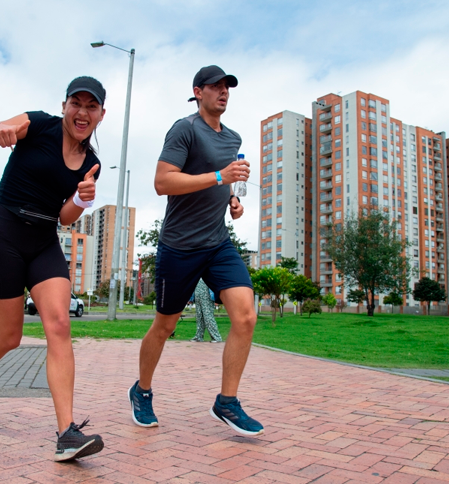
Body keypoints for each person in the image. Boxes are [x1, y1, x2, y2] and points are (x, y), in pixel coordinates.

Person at [0, 76, 107, 462]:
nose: (82, 112)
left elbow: (64, 217)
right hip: (2, 234)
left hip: (43, 239)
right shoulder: (37, 123)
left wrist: (80, 197)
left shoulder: (91, 164)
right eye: (76, 103)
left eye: (91, 106)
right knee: (9, 336)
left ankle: (67, 434)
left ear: (101, 115)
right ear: (64, 107)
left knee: (59, 324)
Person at [128, 65, 263, 436]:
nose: (223, 92)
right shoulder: (184, 129)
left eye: (227, 87)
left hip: (217, 243)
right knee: (165, 325)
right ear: (198, 91)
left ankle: (227, 402)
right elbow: (162, 182)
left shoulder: (232, 137)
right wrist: (221, 177)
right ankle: (141, 391)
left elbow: (225, 183)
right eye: (216, 87)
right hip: (179, 245)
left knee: (246, 316)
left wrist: (232, 200)